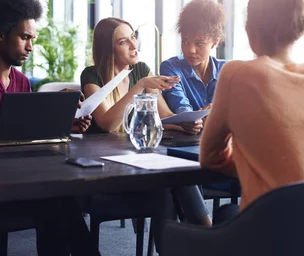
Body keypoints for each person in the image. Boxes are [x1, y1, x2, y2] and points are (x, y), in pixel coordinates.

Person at [0, 0, 96, 256]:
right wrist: (45, 108)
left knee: (61, 196)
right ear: (0, 34)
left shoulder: (20, 81)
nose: (31, 46)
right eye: (24, 37)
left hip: (16, 175)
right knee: (56, 200)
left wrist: (62, 122)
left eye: (32, 39)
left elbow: (23, 130)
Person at [200, 0, 304, 215]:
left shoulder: (236, 74)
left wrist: (258, 164)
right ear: (300, 32)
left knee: (219, 216)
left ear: (249, 31)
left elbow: (210, 156)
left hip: (270, 235)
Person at [81, 17, 212, 227]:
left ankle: (189, 239)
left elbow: (164, 117)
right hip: (106, 166)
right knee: (170, 178)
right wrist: (139, 86)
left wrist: (186, 123)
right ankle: (206, 233)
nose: (134, 45)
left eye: (133, 37)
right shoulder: (91, 76)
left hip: (137, 157)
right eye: (123, 42)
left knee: (175, 174)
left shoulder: (140, 69)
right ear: (109, 49)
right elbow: (107, 124)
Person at [160, 0, 226, 133]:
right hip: (183, 144)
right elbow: (179, 103)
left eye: (199, 43)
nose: (190, 50)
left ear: (214, 43)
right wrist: (191, 120)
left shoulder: (227, 70)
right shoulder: (171, 67)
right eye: (185, 41)